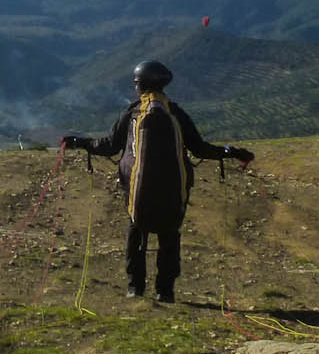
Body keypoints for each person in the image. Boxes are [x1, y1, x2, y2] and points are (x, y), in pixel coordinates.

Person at [63, 59, 253, 303]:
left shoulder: (132, 113)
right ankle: (166, 290)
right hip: (174, 188)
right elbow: (199, 148)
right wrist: (232, 152)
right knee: (169, 235)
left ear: (140, 85)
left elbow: (110, 146)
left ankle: (135, 287)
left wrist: (79, 142)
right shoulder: (176, 113)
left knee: (136, 230)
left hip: (138, 188)